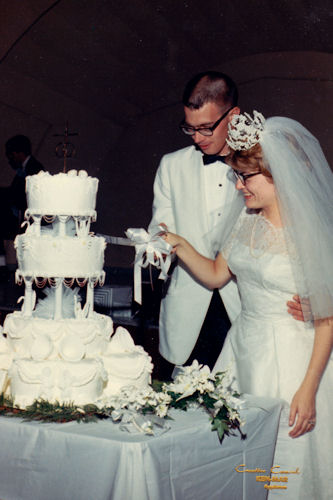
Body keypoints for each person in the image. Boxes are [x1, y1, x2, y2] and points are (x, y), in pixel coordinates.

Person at [163, 111, 333, 499]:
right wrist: (174, 241)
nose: (239, 187)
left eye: (248, 178)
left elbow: (327, 320)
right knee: (237, 463)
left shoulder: (309, 231)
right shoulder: (245, 222)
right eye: (237, 177)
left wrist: (307, 391)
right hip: (240, 350)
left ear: (280, 176)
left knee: (286, 461)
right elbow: (215, 275)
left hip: (291, 359)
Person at [149, 71, 304, 374]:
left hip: (247, 310)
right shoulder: (171, 166)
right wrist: (156, 246)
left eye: (206, 128)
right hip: (188, 310)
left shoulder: (266, 164)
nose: (197, 137)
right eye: (189, 129)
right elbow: (160, 230)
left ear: (233, 116)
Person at [0, 135, 44, 271]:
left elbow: (22, 194)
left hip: (26, 215)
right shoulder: (26, 167)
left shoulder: (34, 168)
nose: (11, 159)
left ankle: (2, 265)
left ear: (19, 153)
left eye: (11, 155)